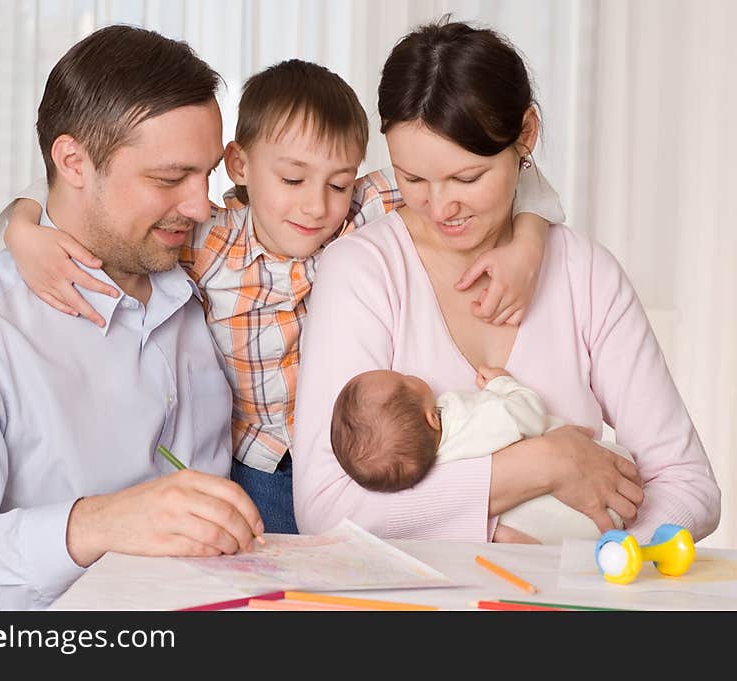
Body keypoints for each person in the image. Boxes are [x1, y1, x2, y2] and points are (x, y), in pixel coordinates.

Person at [0, 60, 565, 534]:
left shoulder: (363, 215)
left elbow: (486, 164)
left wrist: (530, 240)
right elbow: (78, 184)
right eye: (292, 180)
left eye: (338, 183)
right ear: (239, 164)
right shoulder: (209, 239)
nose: (316, 206)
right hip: (258, 469)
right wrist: (21, 226)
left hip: (360, 459)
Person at [0, 25, 265, 611]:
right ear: (73, 161)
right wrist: (92, 525)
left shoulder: (215, 275)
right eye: (168, 178)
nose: (200, 204)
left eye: (206, 174)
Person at [292, 18, 721, 546]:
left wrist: (605, 567)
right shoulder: (362, 272)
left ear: (526, 135)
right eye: (413, 180)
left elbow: (689, 484)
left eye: (467, 178)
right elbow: (324, 510)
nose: (440, 207)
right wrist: (543, 464)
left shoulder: (586, 276)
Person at [330, 366, 634, 544]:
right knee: (621, 462)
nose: (408, 373)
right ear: (432, 418)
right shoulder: (468, 418)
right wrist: (504, 385)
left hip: (556, 527)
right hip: (599, 496)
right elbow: (528, 416)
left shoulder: (432, 470)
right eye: (404, 380)